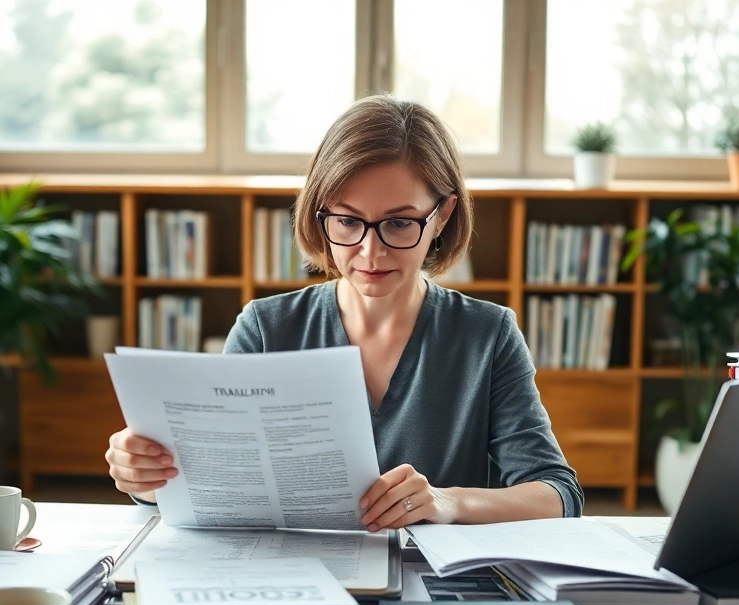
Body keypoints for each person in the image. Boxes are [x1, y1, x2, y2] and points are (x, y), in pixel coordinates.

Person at [105, 95, 583, 531]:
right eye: (348, 221)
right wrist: (147, 480)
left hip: (432, 582)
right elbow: (218, 482)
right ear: (321, 214)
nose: (370, 252)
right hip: (296, 575)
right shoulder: (266, 328)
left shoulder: (487, 334)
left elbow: (558, 493)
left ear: (441, 215)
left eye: (400, 222)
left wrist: (448, 501)